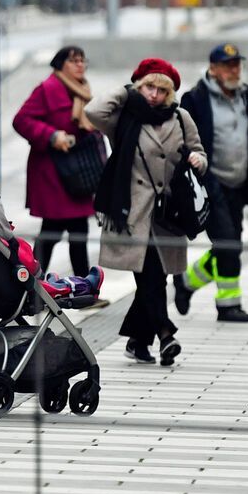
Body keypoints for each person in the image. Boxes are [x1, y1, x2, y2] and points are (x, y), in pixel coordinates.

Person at [86, 58, 207, 366]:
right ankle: (166, 335)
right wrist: (126, 92)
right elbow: (93, 112)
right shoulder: (124, 117)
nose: (154, 94)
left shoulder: (181, 118)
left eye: (161, 90)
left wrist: (196, 160)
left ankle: (138, 340)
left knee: (156, 278)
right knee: (150, 274)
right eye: (148, 87)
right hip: (132, 211)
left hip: (169, 213)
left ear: (170, 93)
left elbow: (200, 152)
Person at [175, 43, 248, 324]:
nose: (234, 70)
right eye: (228, 65)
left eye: (237, 64)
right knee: (228, 243)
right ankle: (228, 305)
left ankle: (187, 282)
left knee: (230, 245)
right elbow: (185, 143)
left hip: (239, 183)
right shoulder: (194, 99)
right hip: (210, 183)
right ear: (213, 68)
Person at [12, 44, 98, 277]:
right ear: (60, 65)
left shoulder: (81, 90)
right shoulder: (48, 89)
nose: (80, 65)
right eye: (74, 61)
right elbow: (21, 120)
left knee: (75, 230)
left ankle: (77, 286)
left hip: (76, 174)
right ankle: (30, 282)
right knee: (53, 231)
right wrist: (51, 136)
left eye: (82, 60)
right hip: (53, 175)